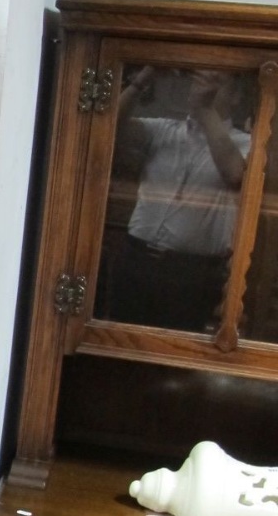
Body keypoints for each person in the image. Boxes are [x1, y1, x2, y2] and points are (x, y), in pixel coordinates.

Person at [105, 67, 253, 332]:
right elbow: (103, 127)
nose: (202, 88)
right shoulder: (163, 130)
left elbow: (235, 175)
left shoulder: (245, 143)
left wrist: (205, 110)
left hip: (191, 274)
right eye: (199, 81)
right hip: (135, 259)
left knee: (169, 367)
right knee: (117, 350)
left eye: (216, 82)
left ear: (236, 97)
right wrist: (143, 78)